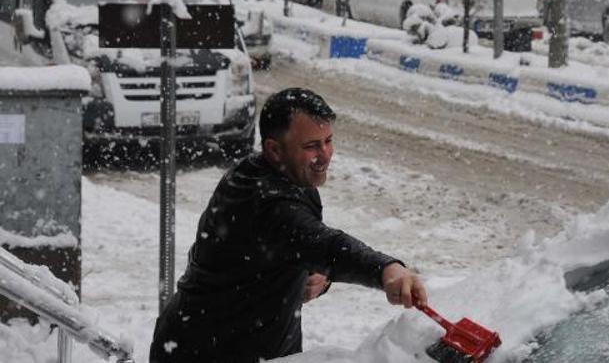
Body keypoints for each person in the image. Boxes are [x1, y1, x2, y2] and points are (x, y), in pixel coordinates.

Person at [150, 87, 427, 363]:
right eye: (311, 146)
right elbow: (323, 243)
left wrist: (316, 277)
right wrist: (386, 270)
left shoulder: (290, 177)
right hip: (207, 353)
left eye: (328, 140)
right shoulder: (263, 198)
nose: (325, 154)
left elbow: (301, 247)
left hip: (256, 349)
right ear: (274, 149)